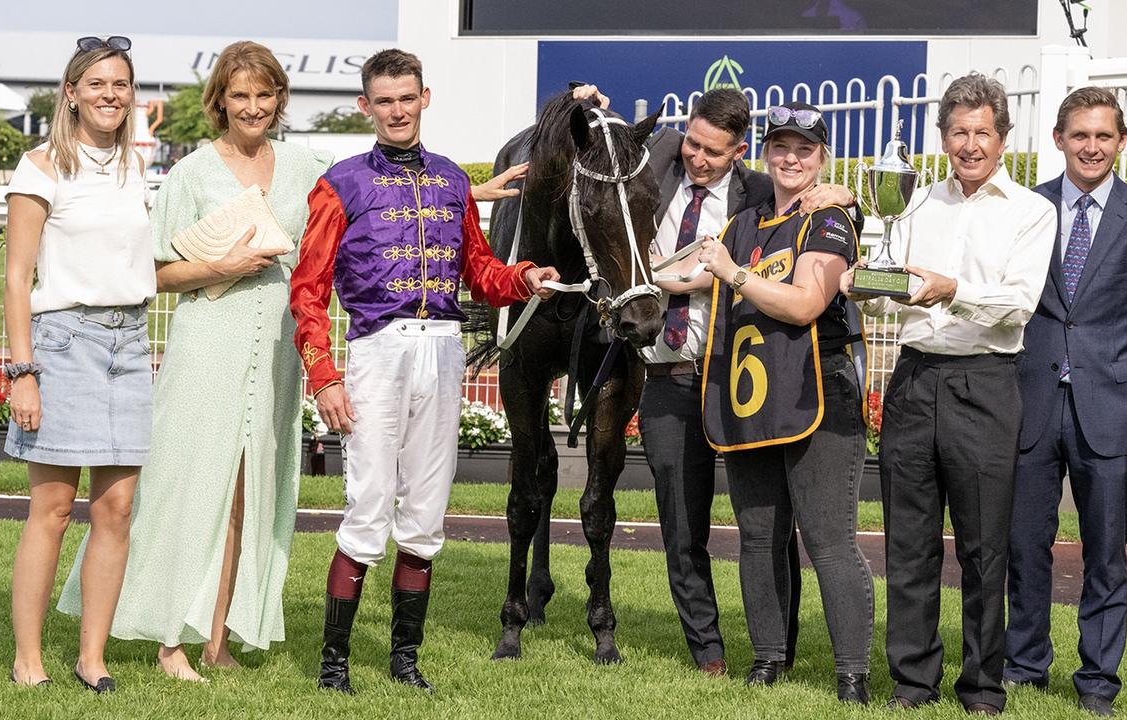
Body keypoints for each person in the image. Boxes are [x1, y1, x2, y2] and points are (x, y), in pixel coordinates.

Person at [57, 41, 332, 681]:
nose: (254, 107)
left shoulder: (306, 169)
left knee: (247, 495)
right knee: (184, 491)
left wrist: (472, 188)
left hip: (275, 355)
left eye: (265, 96)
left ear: (280, 100)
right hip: (207, 346)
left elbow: (370, 205)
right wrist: (221, 266)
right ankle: (167, 639)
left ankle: (217, 639)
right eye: (241, 96)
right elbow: (154, 271)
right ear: (220, 102)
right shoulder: (192, 174)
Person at [289, 48, 560, 695]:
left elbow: (483, 274)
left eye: (406, 98)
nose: (396, 110)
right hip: (377, 353)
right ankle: (335, 665)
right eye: (384, 101)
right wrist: (324, 376)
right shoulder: (340, 183)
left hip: (442, 349)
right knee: (368, 506)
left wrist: (526, 278)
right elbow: (307, 288)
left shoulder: (452, 182)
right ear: (366, 107)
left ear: (424, 98)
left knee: (426, 516)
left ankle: (405, 661)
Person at [581, 84, 856, 678]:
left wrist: (845, 191)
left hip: (738, 379)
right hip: (665, 374)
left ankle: (777, 648)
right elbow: (591, 164)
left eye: (714, 151)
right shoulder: (651, 176)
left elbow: (817, 195)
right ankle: (708, 650)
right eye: (693, 143)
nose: (697, 158)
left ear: (739, 154)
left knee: (769, 524)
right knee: (682, 526)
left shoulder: (758, 194)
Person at [842, 74, 1057, 715]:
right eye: (958, 132)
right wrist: (864, 277)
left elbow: (1018, 306)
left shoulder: (1030, 211)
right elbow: (887, 279)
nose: (970, 145)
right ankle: (913, 683)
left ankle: (982, 687)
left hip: (986, 385)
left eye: (982, 133)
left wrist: (948, 288)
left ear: (1003, 138)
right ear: (942, 138)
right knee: (908, 544)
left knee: (985, 549)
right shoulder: (911, 200)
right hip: (912, 377)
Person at [658, 102, 873, 702]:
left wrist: (733, 274)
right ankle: (768, 659)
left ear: (821, 157)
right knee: (757, 537)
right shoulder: (743, 223)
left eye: (804, 149)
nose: (790, 158)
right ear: (765, 152)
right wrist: (621, 277)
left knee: (829, 539)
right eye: (780, 146)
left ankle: (851, 673)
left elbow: (806, 302)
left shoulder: (829, 216)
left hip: (818, 393)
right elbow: (681, 274)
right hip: (754, 398)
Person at [1005, 87, 1127, 718]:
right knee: (1024, 543)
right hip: (1031, 402)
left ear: (1121, 142)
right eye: (1079, 135)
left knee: (1105, 552)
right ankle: (1025, 666)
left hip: (1111, 408)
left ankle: (1097, 683)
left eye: (1104, 136)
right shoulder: (1027, 209)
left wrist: (1112, 352)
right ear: (1057, 139)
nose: (1091, 146)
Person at [3, 35, 155, 693]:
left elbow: (140, 266)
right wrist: (23, 371)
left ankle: (92, 658)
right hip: (64, 344)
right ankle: (27, 659)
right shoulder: (39, 167)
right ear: (71, 92)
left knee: (117, 508)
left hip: (131, 343)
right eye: (96, 83)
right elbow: (16, 278)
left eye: (119, 84)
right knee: (54, 508)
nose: (109, 95)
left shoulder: (134, 169)